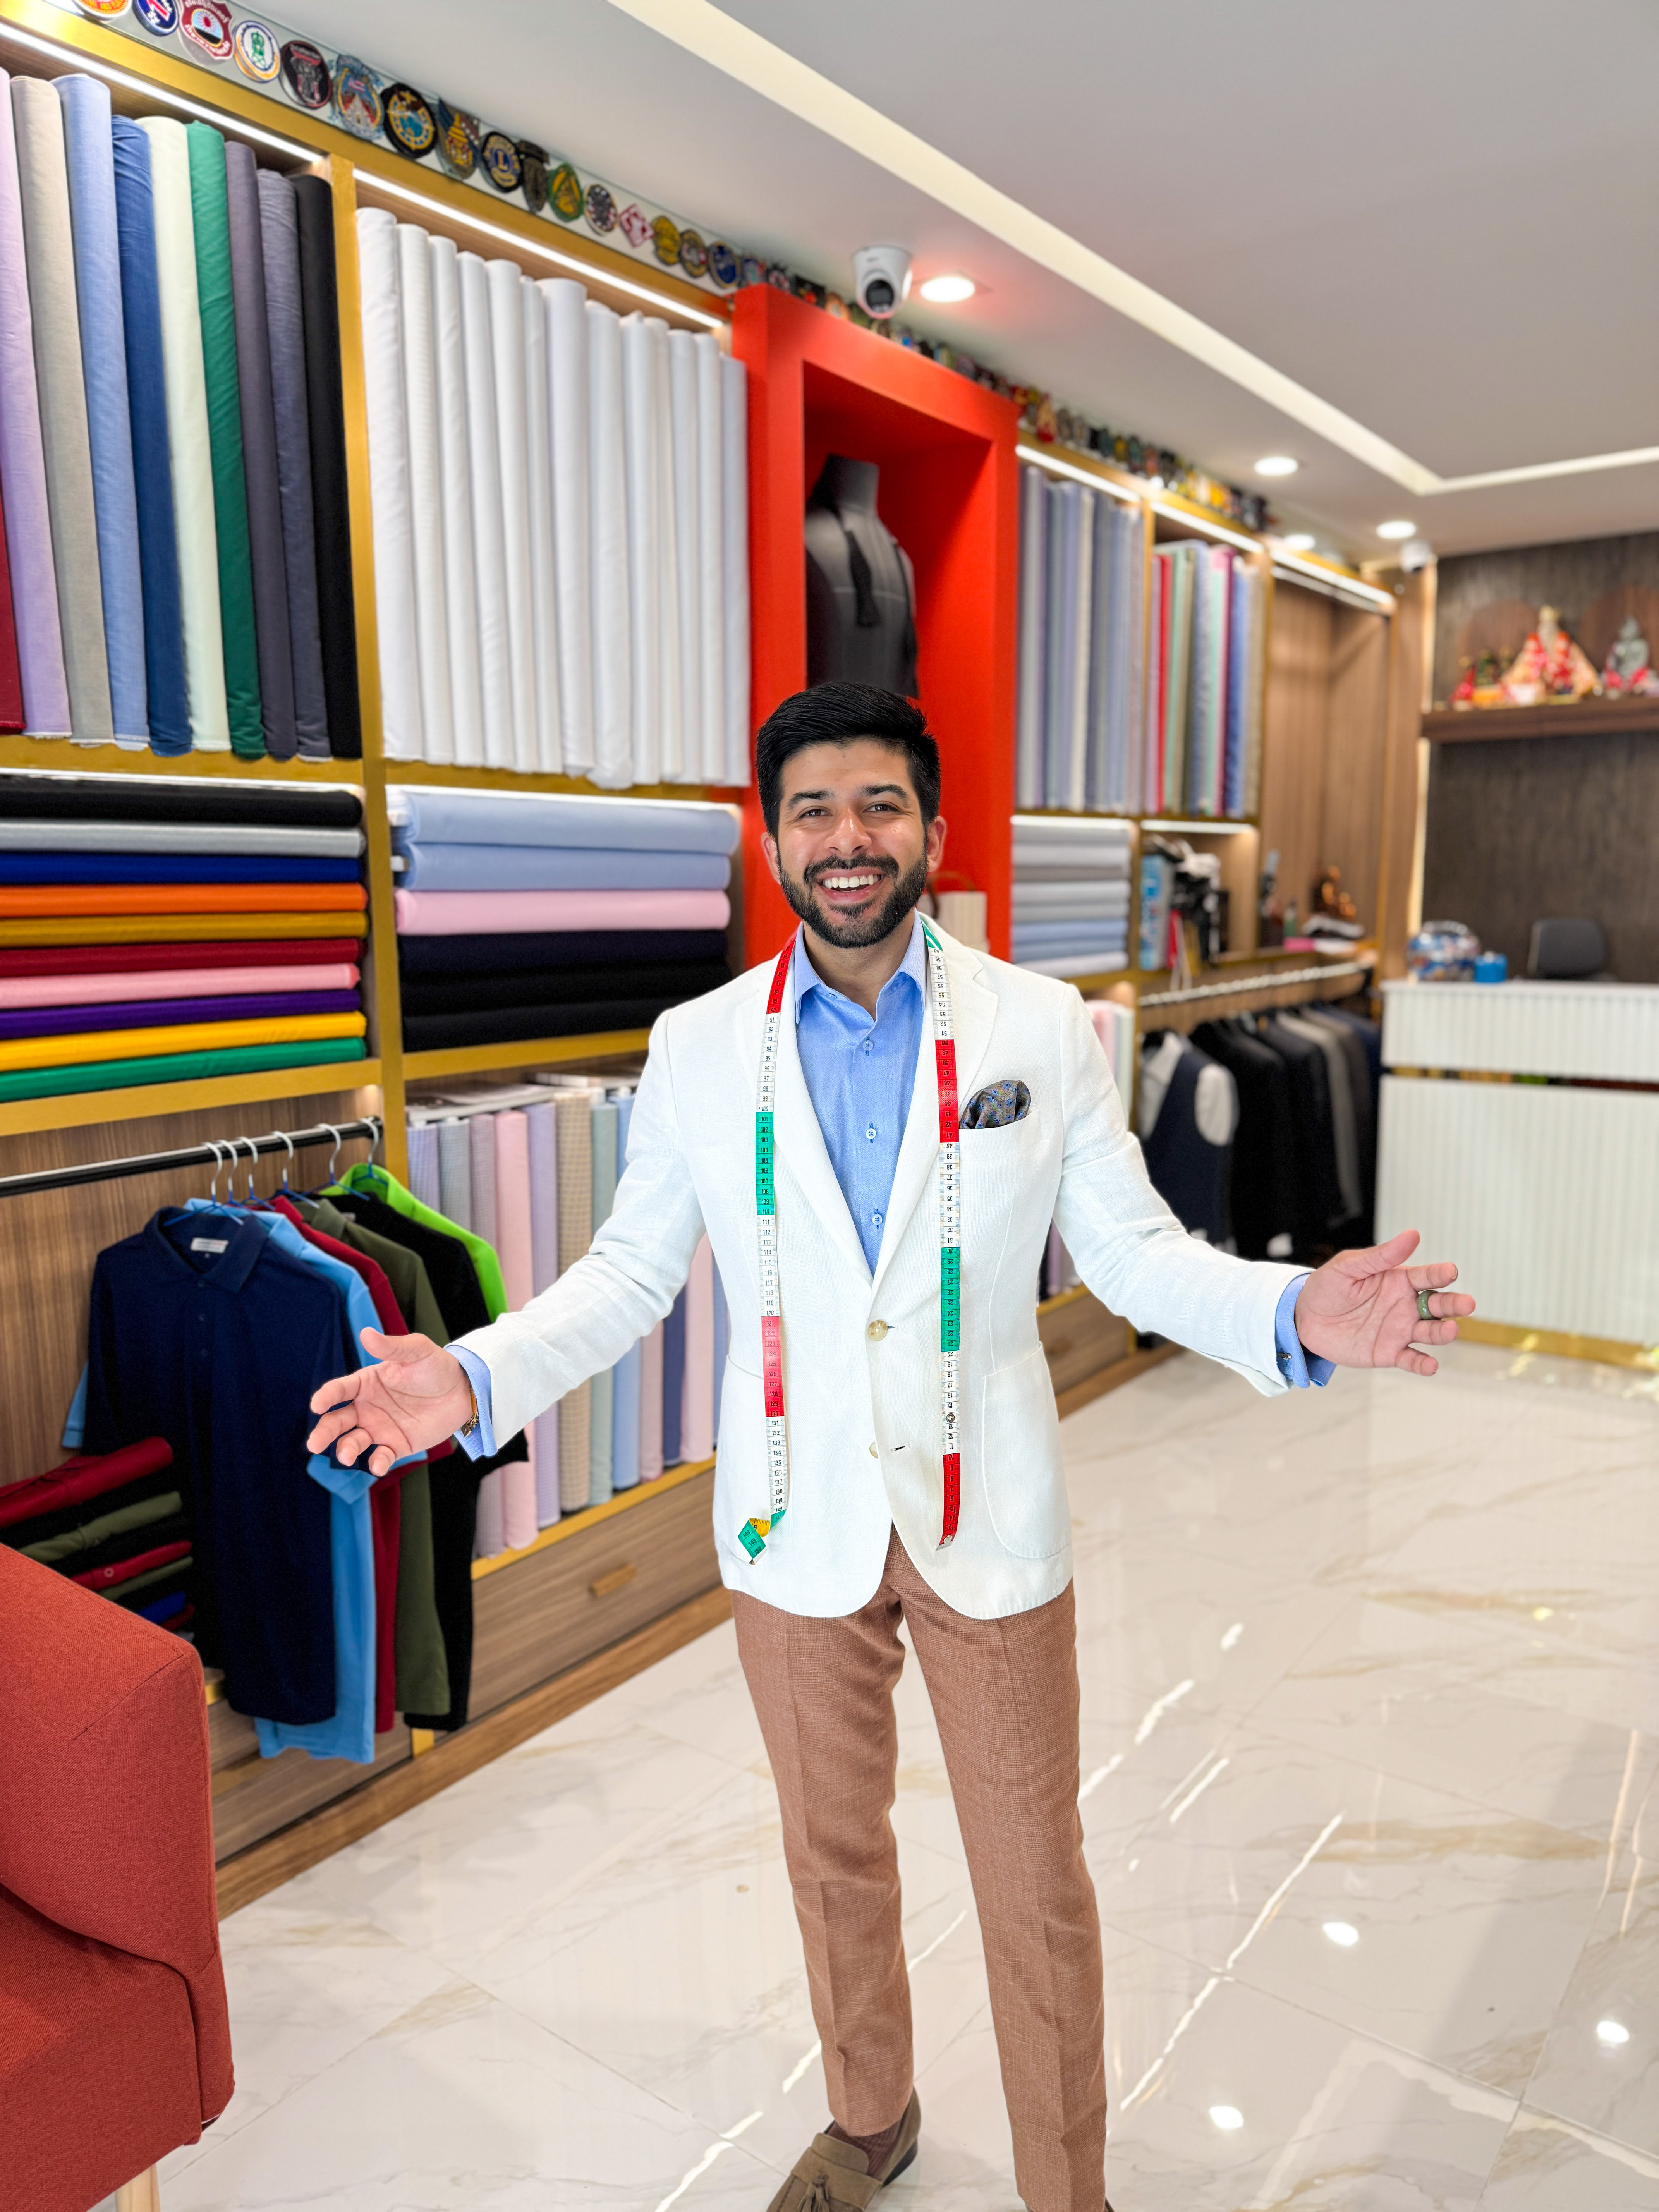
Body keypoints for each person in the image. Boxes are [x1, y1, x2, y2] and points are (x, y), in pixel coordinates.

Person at [308, 682, 1474, 2212]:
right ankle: (873, 2120)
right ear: (771, 838)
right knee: (830, 1855)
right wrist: (470, 1376)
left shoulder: (1044, 1028)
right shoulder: (704, 1046)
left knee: (1033, 1883)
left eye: (877, 807)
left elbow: (1128, 1254)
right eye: (812, 811)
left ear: (925, 825)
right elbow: (631, 1275)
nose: (846, 841)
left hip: (984, 1510)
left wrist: (1290, 1310)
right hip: (792, 1521)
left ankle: (1072, 2189)